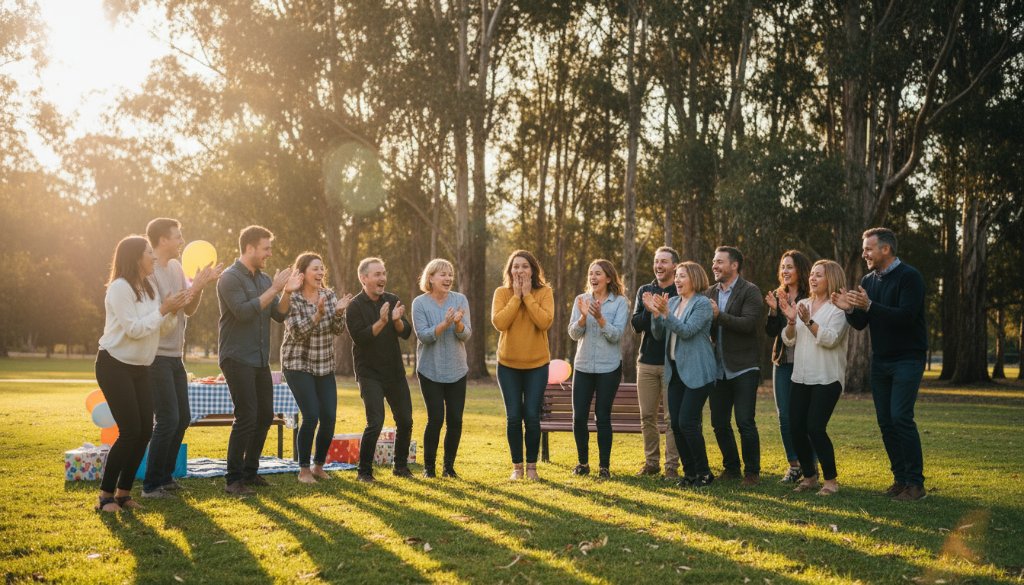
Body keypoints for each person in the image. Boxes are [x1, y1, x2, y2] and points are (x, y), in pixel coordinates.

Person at [95, 236, 191, 512]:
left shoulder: (148, 287)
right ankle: (105, 497)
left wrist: (173, 309)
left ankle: (124, 494)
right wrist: (163, 309)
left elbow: (160, 328)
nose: (154, 257)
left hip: (140, 367)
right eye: (149, 253)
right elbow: (135, 329)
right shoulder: (119, 289)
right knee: (130, 431)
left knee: (145, 430)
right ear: (136, 258)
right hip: (114, 365)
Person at [832, 227, 928, 501]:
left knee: (900, 417)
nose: (864, 253)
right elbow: (862, 324)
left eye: (868, 249)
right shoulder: (868, 280)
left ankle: (916, 484)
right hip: (881, 360)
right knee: (886, 421)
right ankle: (900, 480)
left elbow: (906, 317)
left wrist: (870, 305)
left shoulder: (910, 277)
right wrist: (849, 309)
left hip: (908, 357)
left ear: (885, 249)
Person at [140, 218, 223, 499]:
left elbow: (186, 309)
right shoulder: (148, 271)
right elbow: (167, 305)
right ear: (163, 240)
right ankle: (151, 485)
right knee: (167, 418)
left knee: (183, 417)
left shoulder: (175, 267)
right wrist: (194, 287)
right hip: (155, 356)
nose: (181, 241)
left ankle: (165, 477)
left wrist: (199, 287)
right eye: (177, 236)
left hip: (175, 355)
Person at [217, 225, 300, 495]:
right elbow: (243, 312)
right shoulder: (229, 278)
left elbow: (278, 314)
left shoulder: (265, 280)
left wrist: (285, 292)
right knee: (247, 415)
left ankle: (250, 472)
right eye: (266, 248)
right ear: (250, 248)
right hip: (236, 356)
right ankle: (233, 479)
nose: (269, 253)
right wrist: (275, 287)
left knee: (265, 414)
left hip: (259, 359)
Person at [779, 260, 850, 496]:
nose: (812, 278)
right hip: (801, 377)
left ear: (831, 279)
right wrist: (791, 321)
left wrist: (808, 321)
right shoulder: (802, 303)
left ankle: (831, 481)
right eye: (811, 274)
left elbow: (830, 339)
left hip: (827, 378)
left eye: (819, 275)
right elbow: (789, 340)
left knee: (815, 428)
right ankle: (809, 476)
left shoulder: (838, 308)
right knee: (796, 427)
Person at [281, 252, 352, 484]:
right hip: (297, 362)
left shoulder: (329, 295)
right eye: (315, 269)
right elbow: (298, 332)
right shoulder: (292, 298)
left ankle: (318, 465)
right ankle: (303, 470)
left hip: (323, 363)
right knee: (311, 415)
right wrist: (318, 314)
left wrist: (339, 312)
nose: (320, 273)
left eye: (322, 269)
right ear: (302, 273)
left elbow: (338, 330)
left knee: (329, 416)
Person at [647, 261, 717, 488]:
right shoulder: (674, 301)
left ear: (694, 278)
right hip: (675, 371)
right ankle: (690, 473)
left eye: (682, 276)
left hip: (698, 371)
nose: (676, 280)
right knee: (676, 424)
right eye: (676, 276)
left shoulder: (703, 304)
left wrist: (666, 314)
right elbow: (658, 335)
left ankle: (704, 472)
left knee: (687, 422)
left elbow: (686, 332)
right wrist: (655, 314)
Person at [346, 257, 414, 483]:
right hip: (369, 373)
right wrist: (382, 321)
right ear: (363, 278)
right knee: (375, 421)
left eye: (383, 273)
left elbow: (405, 332)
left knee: (405, 420)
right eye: (377, 274)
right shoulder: (354, 306)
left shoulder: (392, 299)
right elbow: (361, 338)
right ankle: (364, 472)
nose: (382, 278)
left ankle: (400, 466)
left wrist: (395, 321)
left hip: (394, 371)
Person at [704, 246, 764, 485]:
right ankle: (731, 468)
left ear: (734, 265)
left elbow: (749, 324)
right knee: (718, 422)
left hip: (743, 367)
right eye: (713, 262)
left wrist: (719, 316)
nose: (714, 266)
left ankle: (752, 473)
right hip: (717, 369)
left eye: (719, 262)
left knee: (744, 421)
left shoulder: (750, 291)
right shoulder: (709, 292)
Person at [491, 250, 554, 481]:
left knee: (532, 416)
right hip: (508, 365)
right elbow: (499, 322)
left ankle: (532, 468)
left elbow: (545, 322)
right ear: (509, 270)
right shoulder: (502, 293)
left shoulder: (544, 292)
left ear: (533, 270)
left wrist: (528, 296)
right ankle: (517, 468)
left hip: (537, 365)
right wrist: (516, 297)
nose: (520, 270)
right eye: (515, 267)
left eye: (525, 266)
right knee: (514, 417)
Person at [568, 259, 628, 479]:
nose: (593, 278)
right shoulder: (580, 300)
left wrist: (600, 318)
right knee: (579, 417)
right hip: (583, 366)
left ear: (609, 278)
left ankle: (604, 467)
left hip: (608, 368)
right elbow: (573, 334)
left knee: (602, 416)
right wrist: (584, 317)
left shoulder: (619, 303)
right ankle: (582, 463)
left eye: (598, 274)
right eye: (591, 274)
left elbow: (616, 336)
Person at [411, 258, 471, 479]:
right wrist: (444, 324)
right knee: (435, 418)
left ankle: (449, 467)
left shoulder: (460, 300)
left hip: (457, 369)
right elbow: (424, 336)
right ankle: (429, 468)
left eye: (450, 274)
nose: (448, 278)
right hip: (430, 370)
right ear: (431, 278)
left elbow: (467, 334)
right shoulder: (420, 303)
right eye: (442, 274)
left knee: (455, 419)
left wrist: (457, 324)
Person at [631, 246, 681, 479]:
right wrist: (650, 310)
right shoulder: (645, 290)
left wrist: (663, 310)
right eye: (656, 261)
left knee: (672, 418)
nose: (659, 266)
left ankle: (671, 467)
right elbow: (636, 325)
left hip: (673, 361)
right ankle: (651, 462)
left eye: (664, 262)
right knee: (647, 416)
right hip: (647, 362)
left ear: (674, 266)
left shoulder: (680, 290)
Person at [763, 249, 812, 483]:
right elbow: (771, 332)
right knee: (784, 415)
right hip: (782, 361)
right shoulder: (777, 294)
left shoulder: (811, 295)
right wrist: (774, 310)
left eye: (789, 266)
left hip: (806, 362)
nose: (785, 271)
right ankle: (794, 465)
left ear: (800, 270)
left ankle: (809, 464)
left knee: (803, 415)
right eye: (783, 267)